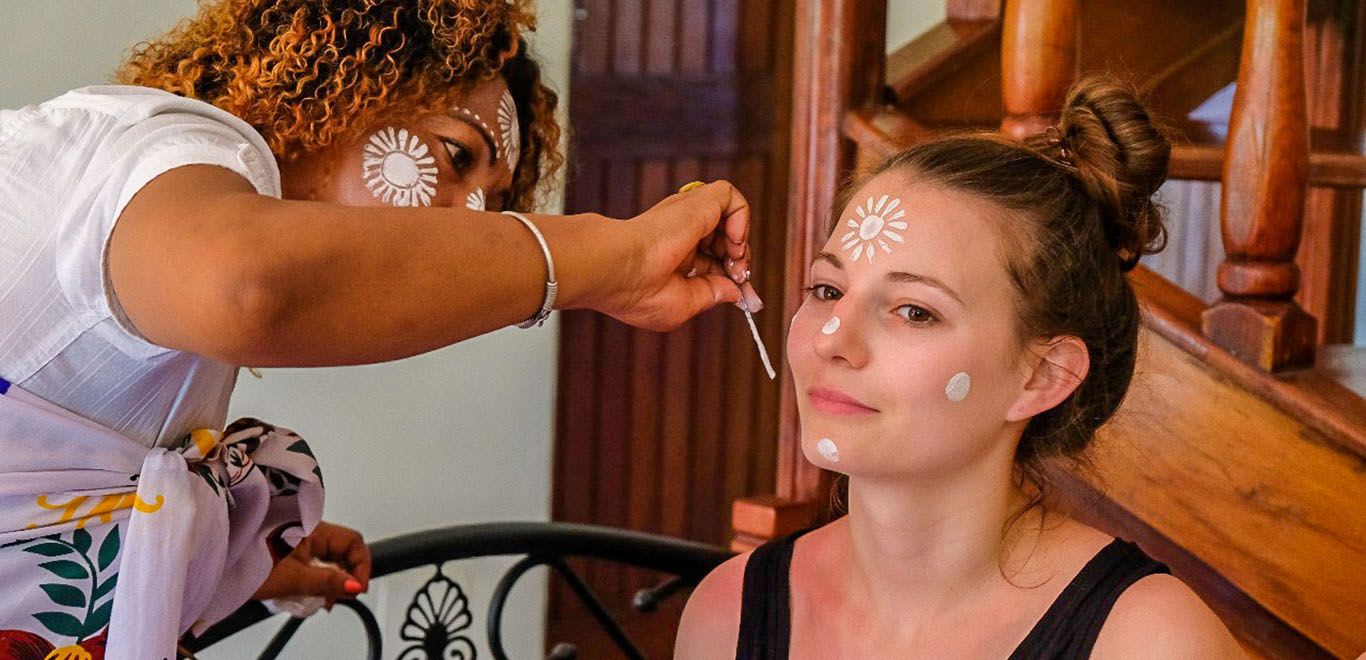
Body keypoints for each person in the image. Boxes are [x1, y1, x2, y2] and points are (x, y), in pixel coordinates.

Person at [0, 1, 761, 657]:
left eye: (495, 204)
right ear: (344, 90)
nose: (469, 222)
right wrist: (607, 259)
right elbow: (250, 287)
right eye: (455, 157)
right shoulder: (162, 149)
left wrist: (232, 555)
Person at [674, 77, 1245, 659]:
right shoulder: (728, 612)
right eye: (826, 289)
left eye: (915, 311)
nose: (831, 340)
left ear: (1044, 375)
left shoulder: (1146, 642)